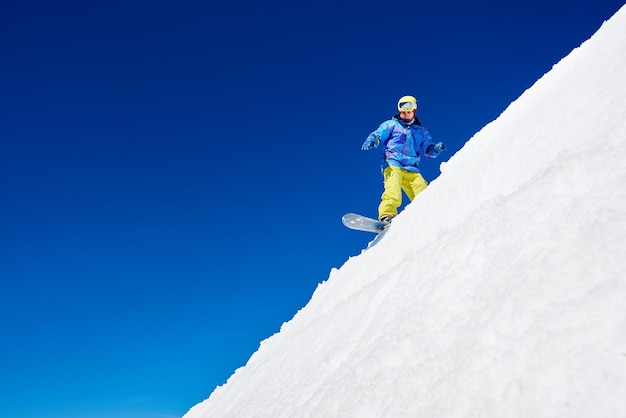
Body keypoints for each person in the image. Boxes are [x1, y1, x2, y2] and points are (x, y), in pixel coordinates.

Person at [361, 95, 446, 223]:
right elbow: (379, 133)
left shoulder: (420, 131)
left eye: (408, 112)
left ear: (414, 112)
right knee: (393, 188)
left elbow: (428, 147)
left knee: (422, 189)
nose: (405, 115)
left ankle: (430, 212)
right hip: (392, 162)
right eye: (403, 112)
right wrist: (373, 139)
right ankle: (387, 214)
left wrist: (435, 149)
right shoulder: (392, 124)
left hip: (412, 167)